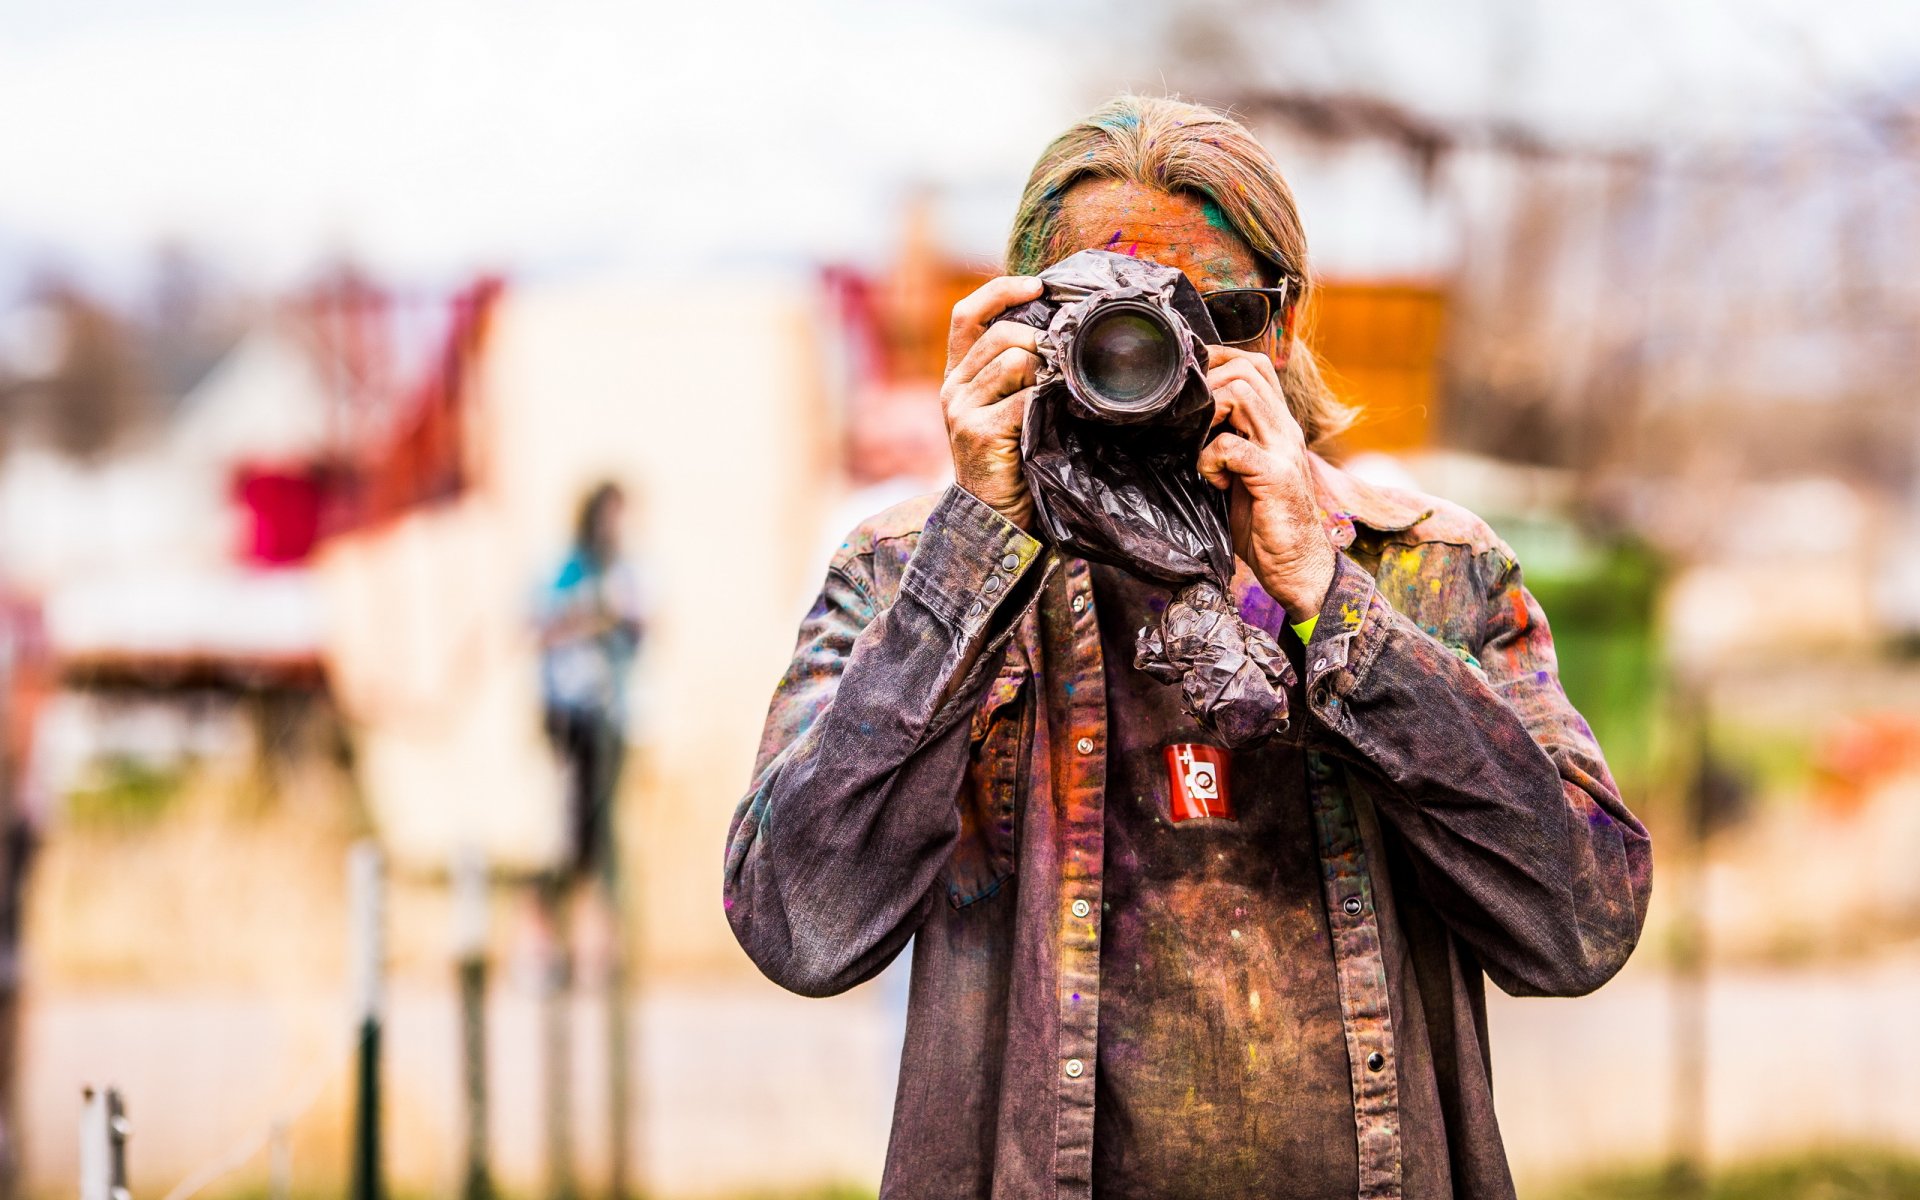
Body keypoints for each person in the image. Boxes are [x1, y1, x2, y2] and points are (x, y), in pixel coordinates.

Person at [724, 95, 1652, 1200]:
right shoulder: (908, 575)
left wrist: (1330, 604)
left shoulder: (1424, 571)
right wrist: (974, 550)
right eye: (1108, 316)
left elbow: (1580, 926)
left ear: (1287, 326)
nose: (1155, 355)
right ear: (1022, 323)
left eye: (1212, 313)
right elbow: (796, 925)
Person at [538, 481, 645, 884]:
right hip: (572, 710)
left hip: (612, 711)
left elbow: (642, 626)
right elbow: (544, 625)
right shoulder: (571, 568)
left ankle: (599, 910)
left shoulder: (625, 571)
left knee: (605, 823)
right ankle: (571, 903)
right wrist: (593, 617)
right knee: (573, 826)